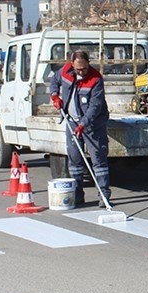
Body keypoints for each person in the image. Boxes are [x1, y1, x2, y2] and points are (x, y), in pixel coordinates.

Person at [49, 50, 111, 207]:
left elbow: (95, 107)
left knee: (99, 161)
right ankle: (77, 195)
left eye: (84, 68)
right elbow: (54, 81)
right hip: (72, 122)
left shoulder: (96, 79)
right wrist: (55, 96)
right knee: (75, 160)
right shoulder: (65, 71)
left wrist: (84, 124)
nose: (81, 72)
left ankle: (104, 195)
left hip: (93, 125)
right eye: (78, 69)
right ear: (72, 65)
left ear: (88, 63)